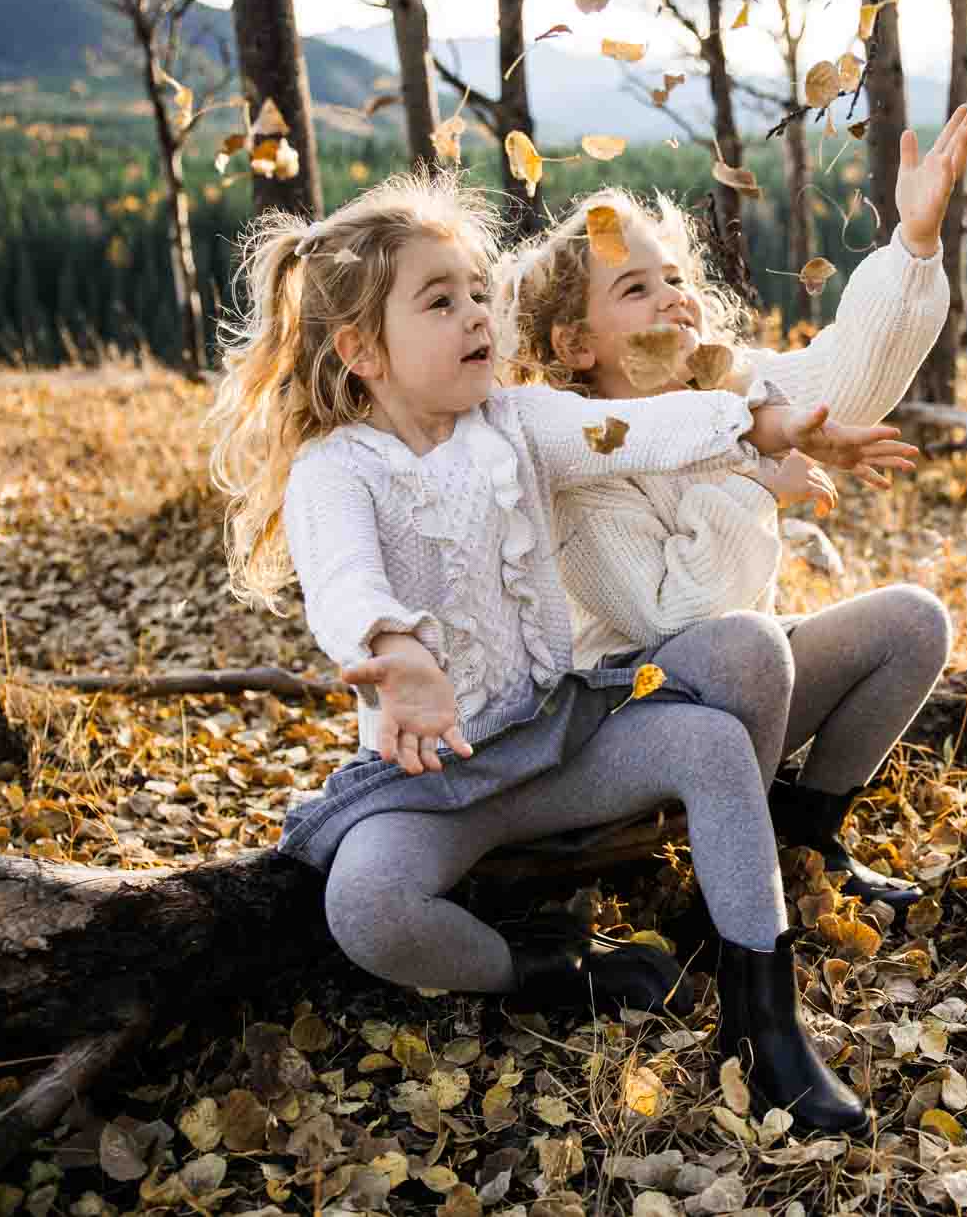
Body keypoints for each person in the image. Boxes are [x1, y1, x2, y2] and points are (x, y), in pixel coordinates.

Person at [206, 169, 911, 1130]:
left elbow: (634, 429)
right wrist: (396, 649)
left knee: (708, 743)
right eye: (440, 302)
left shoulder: (520, 423)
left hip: (559, 735)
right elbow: (342, 584)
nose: (474, 317)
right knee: (364, 903)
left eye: (475, 295)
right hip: (436, 775)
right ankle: (543, 972)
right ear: (363, 348)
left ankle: (763, 1020)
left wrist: (765, 423)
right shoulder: (336, 472)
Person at [498, 105, 967, 919]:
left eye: (676, 278)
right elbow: (673, 613)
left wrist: (914, 244)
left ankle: (807, 830)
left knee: (914, 622)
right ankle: (729, 880)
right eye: (637, 289)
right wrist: (759, 481)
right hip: (637, 714)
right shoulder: (576, 461)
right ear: (578, 344)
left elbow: (840, 383)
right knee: (749, 644)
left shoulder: (726, 389)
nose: (675, 300)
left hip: (748, 686)